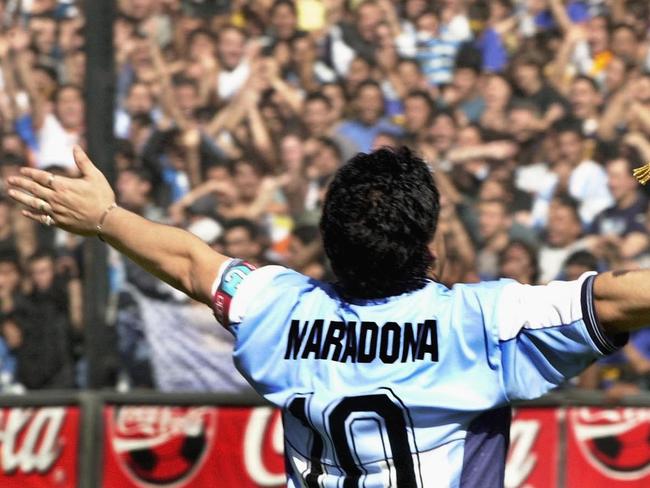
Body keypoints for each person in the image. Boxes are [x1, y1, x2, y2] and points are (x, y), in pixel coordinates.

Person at [8, 145, 650, 487]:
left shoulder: (280, 306)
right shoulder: (479, 323)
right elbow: (619, 297)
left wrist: (105, 220)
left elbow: (191, 265)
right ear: (429, 246)